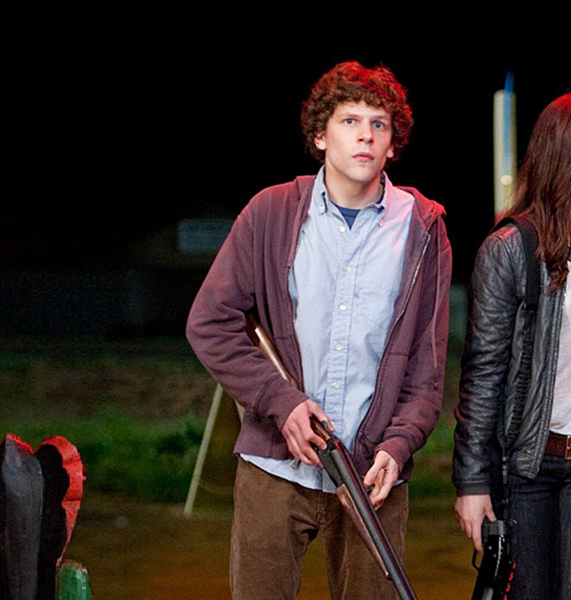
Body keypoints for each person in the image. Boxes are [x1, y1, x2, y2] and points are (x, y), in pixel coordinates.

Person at [186, 61, 450, 600]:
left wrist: (398, 446)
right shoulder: (270, 212)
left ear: (393, 144)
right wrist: (281, 403)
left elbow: (426, 375)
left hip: (372, 477)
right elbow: (210, 323)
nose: (365, 135)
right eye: (350, 120)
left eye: (379, 124)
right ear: (320, 136)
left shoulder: (423, 228)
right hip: (274, 468)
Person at [452, 91, 571, 599]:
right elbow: (483, 372)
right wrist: (472, 482)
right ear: (564, 160)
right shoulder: (511, 248)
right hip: (528, 464)